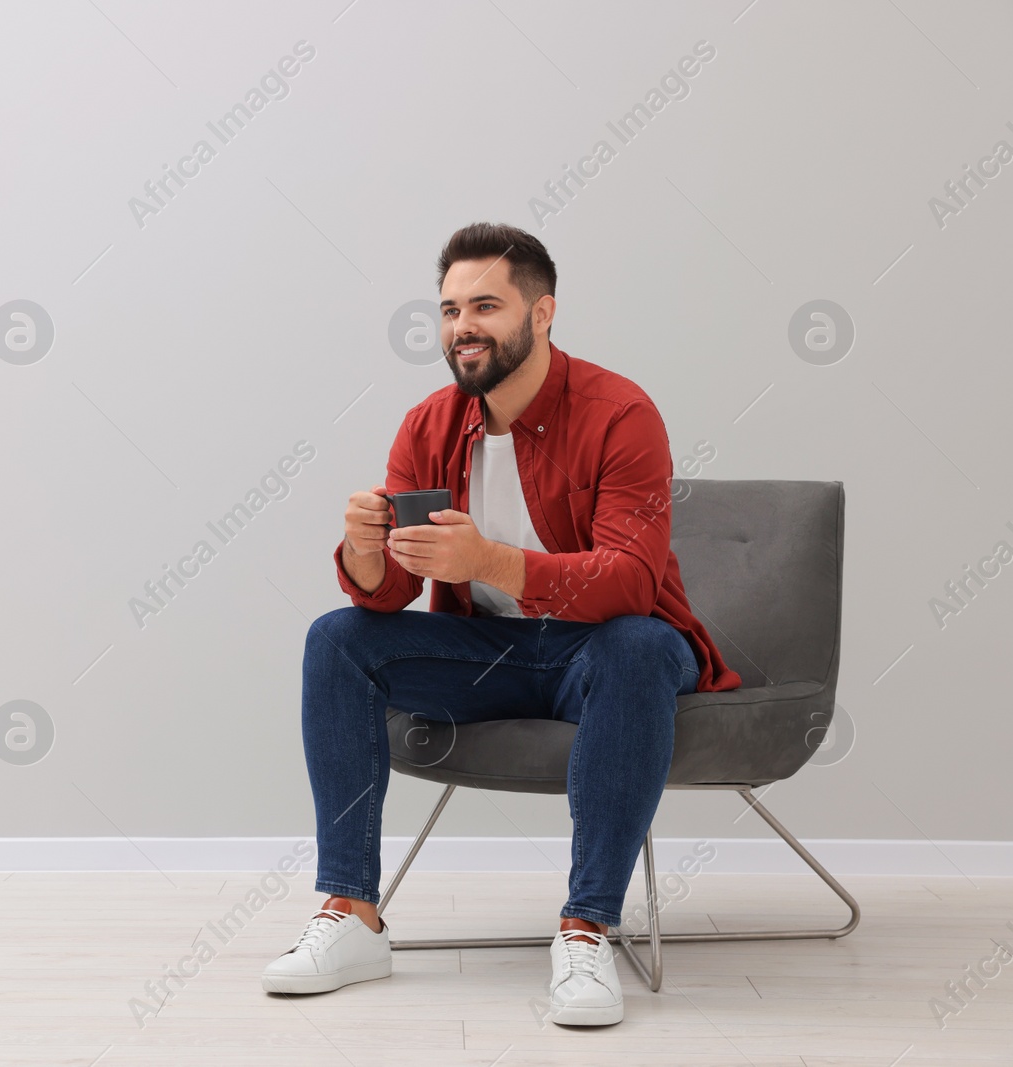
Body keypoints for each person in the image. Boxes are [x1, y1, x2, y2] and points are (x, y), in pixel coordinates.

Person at [260, 222, 741, 1025]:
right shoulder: (429, 424)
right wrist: (363, 549)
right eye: (449, 309)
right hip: (494, 657)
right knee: (336, 639)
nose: (462, 327)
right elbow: (387, 601)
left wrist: (489, 561)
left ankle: (586, 928)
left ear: (543, 313)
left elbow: (631, 578)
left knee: (638, 643)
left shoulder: (621, 413)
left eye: (485, 304)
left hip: (609, 650)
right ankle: (352, 915)